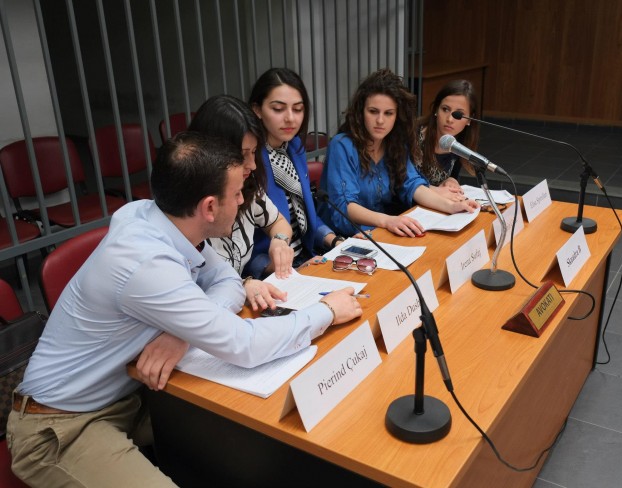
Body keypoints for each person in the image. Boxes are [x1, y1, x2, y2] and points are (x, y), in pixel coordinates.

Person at [6, 132, 362, 487]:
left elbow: (227, 281)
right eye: (238, 194)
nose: (243, 201)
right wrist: (326, 311)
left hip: (130, 393)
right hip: (59, 426)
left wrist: (181, 333)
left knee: (251, 434)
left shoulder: (157, 219)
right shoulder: (146, 263)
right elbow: (245, 345)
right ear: (209, 207)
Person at [317, 68, 478, 238]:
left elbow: (413, 184)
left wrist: (450, 207)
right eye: (373, 111)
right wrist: (387, 221)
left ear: (397, 115)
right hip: (341, 237)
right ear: (360, 112)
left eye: (388, 113)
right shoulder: (342, 145)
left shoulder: (395, 143)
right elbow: (345, 205)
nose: (380, 120)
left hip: (380, 231)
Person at [188, 95, 293, 310]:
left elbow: (278, 222)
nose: (253, 165)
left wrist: (279, 241)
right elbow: (197, 291)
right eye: (242, 155)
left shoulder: (245, 188)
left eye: (254, 153)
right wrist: (243, 284)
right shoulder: (189, 211)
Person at [248, 68, 346, 270]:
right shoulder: (249, 160)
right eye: (278, 109)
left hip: (309, 258)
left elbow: (308, 217)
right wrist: (280, 269)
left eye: (298, 109)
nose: (290, 118)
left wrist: (335, 242)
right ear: (257, 110)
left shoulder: (294, 148)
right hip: (271, 271)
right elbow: (245, 247)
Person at [415, 79, 480, 201]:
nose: (450, 119)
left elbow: (450, 177)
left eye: (458, 115)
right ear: (435, 110)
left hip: (433, 207)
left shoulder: (460, 142)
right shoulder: (413, 135)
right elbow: (401, 181)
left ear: (470, 119)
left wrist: (451, 180)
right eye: (445, 109)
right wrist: (436, 191)